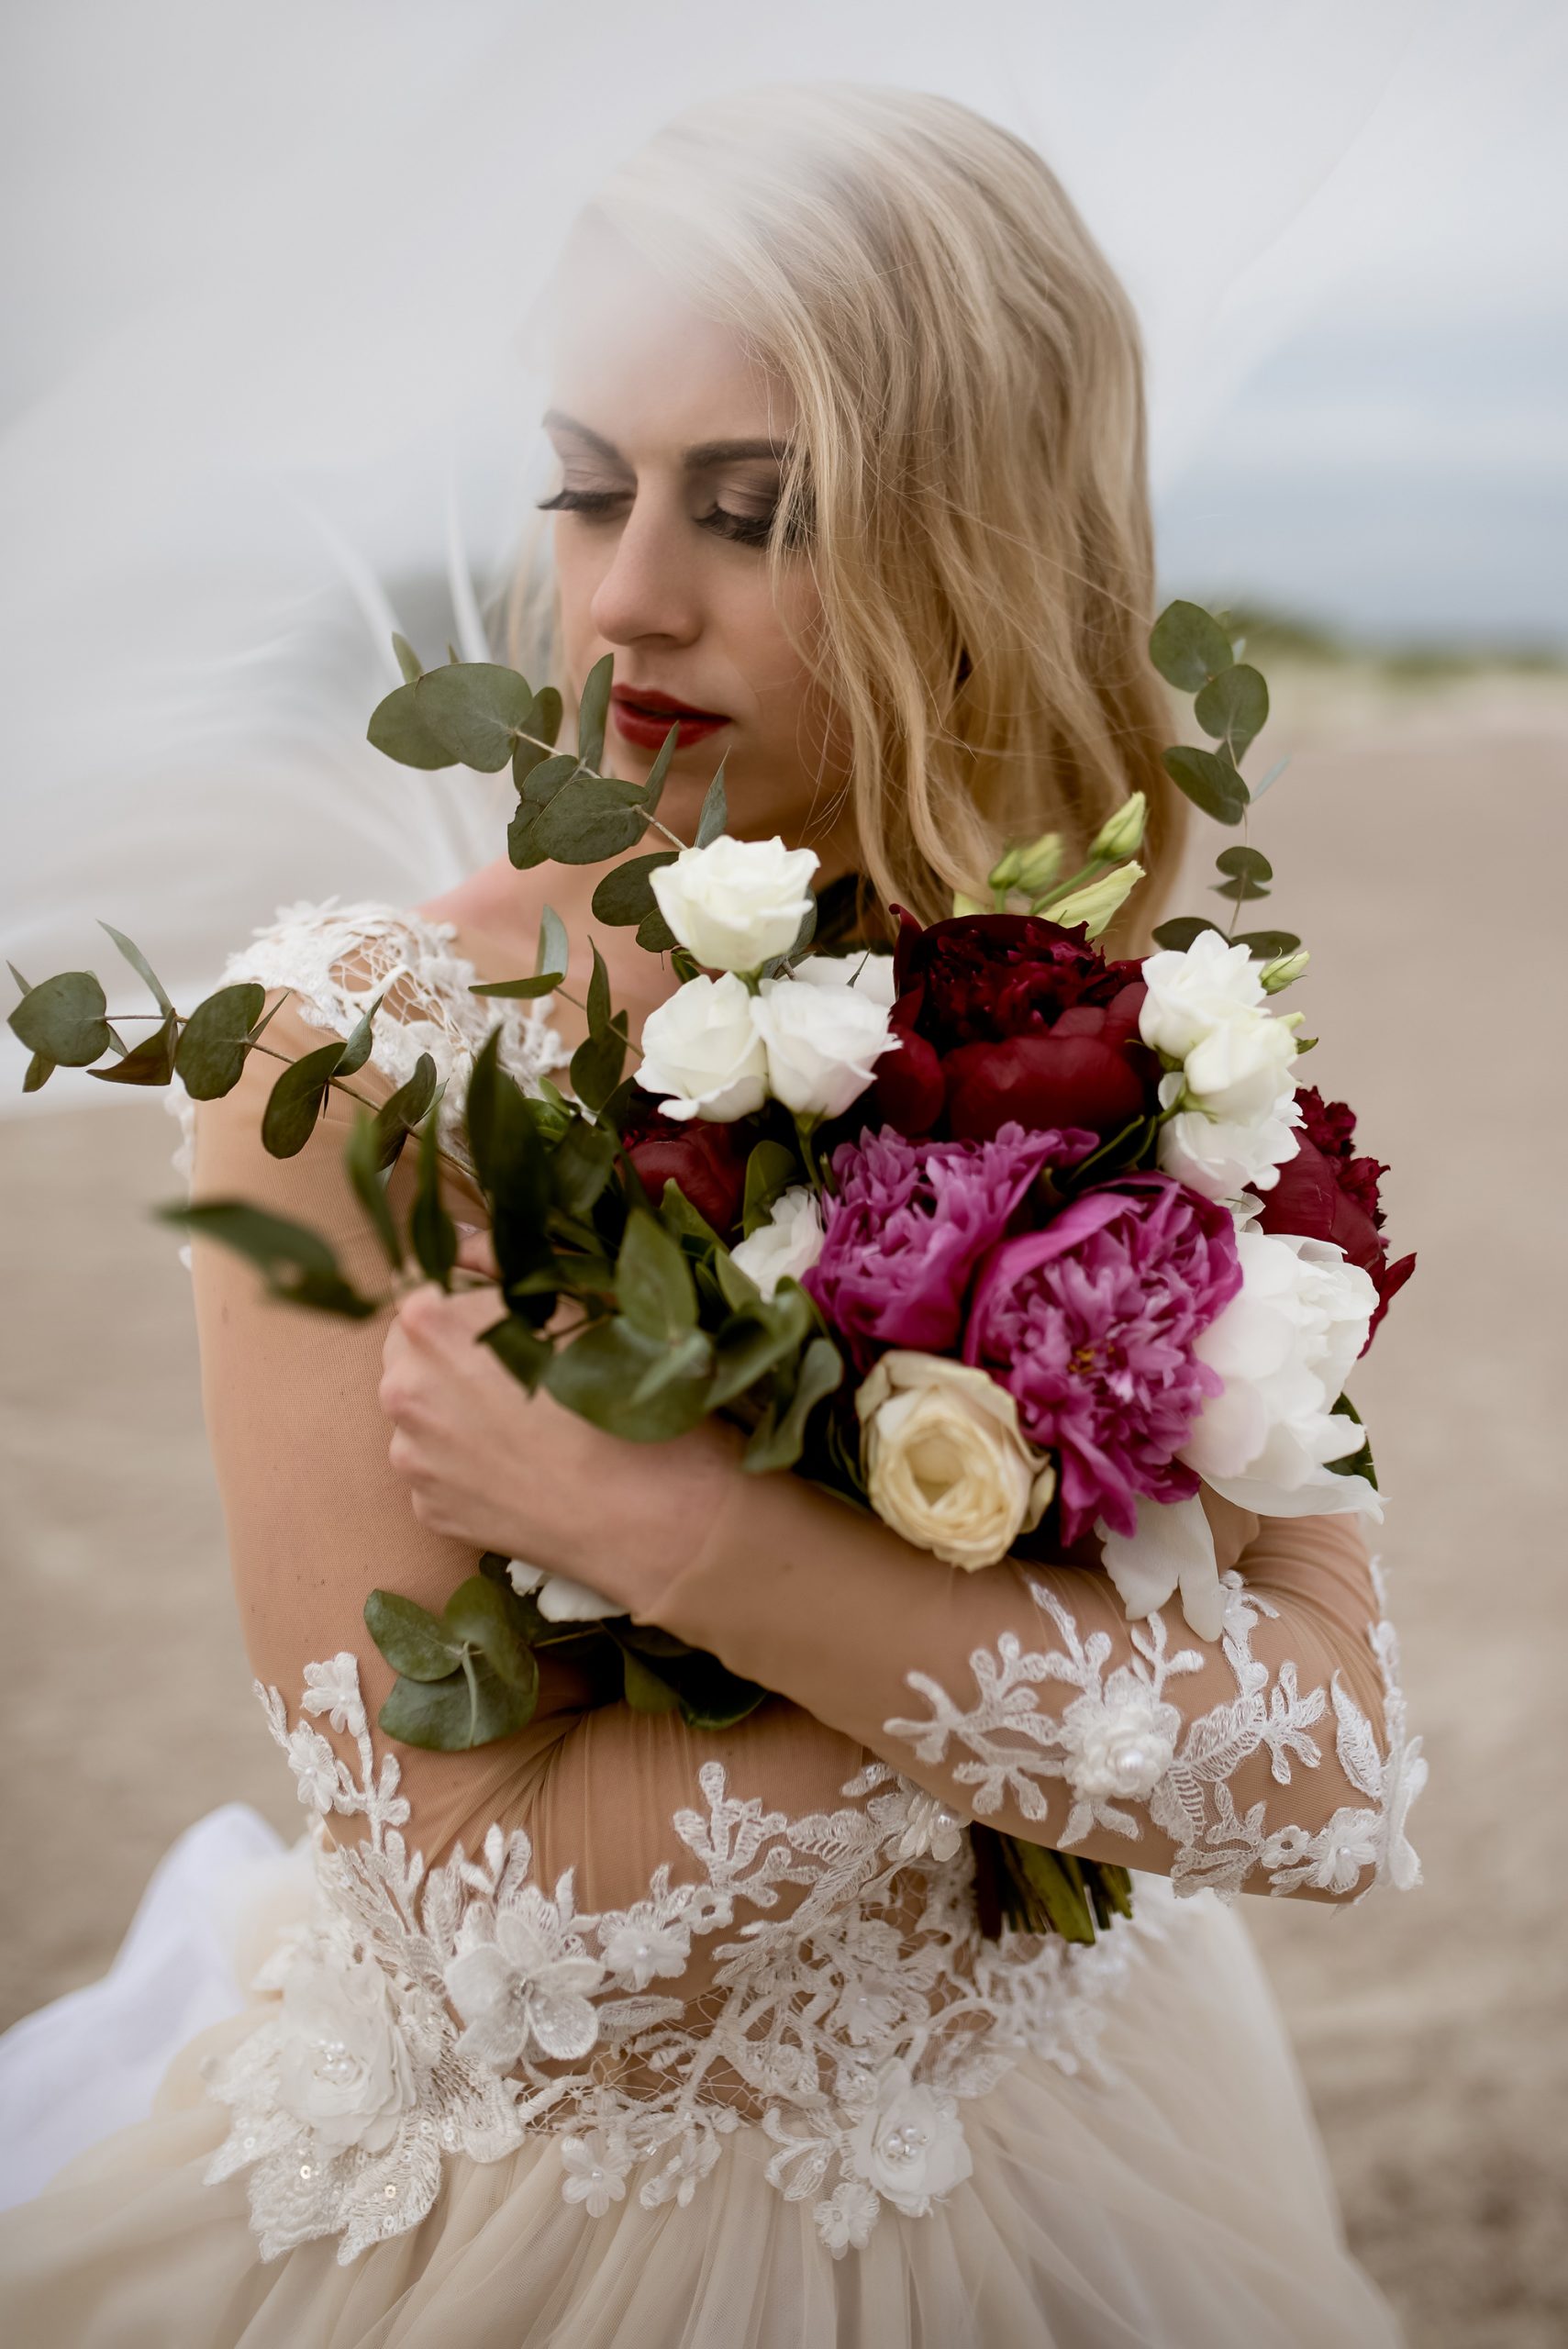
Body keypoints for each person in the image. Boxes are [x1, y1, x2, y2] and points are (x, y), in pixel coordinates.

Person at [0, 83, 1420, 2348]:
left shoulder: (1117, 1041)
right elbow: (474, 1926)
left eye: (755, 510)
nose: (627, 589)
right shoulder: (344, 1064)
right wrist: (1043, 1675)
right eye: (588, 482)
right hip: (530, 2232)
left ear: (981, 541)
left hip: (1043, 2137)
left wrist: (701, 1548)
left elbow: (1331, 1770)